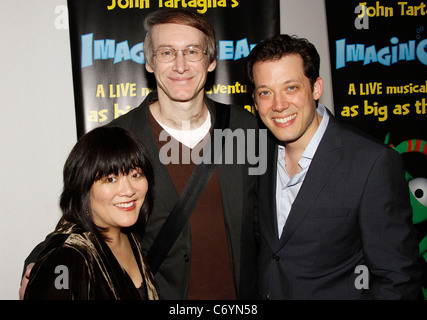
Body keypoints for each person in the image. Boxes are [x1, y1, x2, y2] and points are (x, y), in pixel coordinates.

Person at [21, 8, 258, 300]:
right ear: (149, 61)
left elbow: (272, 216)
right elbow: (80, 215)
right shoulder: (120, 139)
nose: (180, 65)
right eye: (167, 52)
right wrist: (39, 261)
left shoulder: (247, 128)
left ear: (211, 61)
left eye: (193, 51)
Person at [244, 34, 422, 299]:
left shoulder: (372, 162)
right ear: (256, 101)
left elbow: (399, 278)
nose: (278, 105)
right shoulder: (260, 154)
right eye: (266, 92)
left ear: (316, 88)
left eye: (291, 88)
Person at [23, 126, 158, 299]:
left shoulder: (127, 235)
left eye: (136, 175)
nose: (129, 190)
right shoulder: (67, 257)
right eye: (111, 179)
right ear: (82, 187)